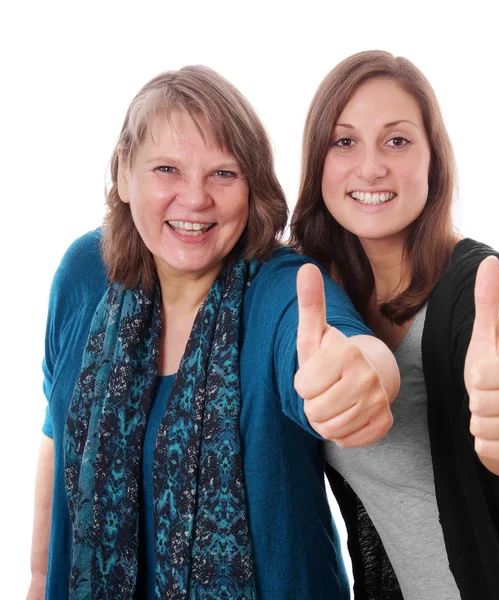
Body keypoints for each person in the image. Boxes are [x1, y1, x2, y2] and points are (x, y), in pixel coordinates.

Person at [28, 65, 401, 600]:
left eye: (223, 174)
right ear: (124, 175)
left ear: (253, 188)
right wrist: (39, 581)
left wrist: (360, 379)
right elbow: (54, 434)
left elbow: (348, 353)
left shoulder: (283, 289)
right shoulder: (85, 271)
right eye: (167, 169)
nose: (195, 199)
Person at [290, 50, 499, 599]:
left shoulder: (483, 284)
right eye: (344, 141)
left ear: (434, 160)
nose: (371, 167)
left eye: (397, 140)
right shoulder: (317, 298)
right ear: (318, 161)